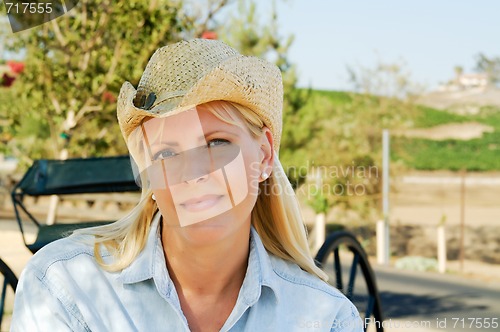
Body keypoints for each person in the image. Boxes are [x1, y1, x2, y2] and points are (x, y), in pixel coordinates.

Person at [11, 39, 362, 332]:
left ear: (265, 155)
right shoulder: (63, 286)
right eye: (166, 152)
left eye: (217, 143)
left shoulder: (327, 319)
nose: (192, 174)